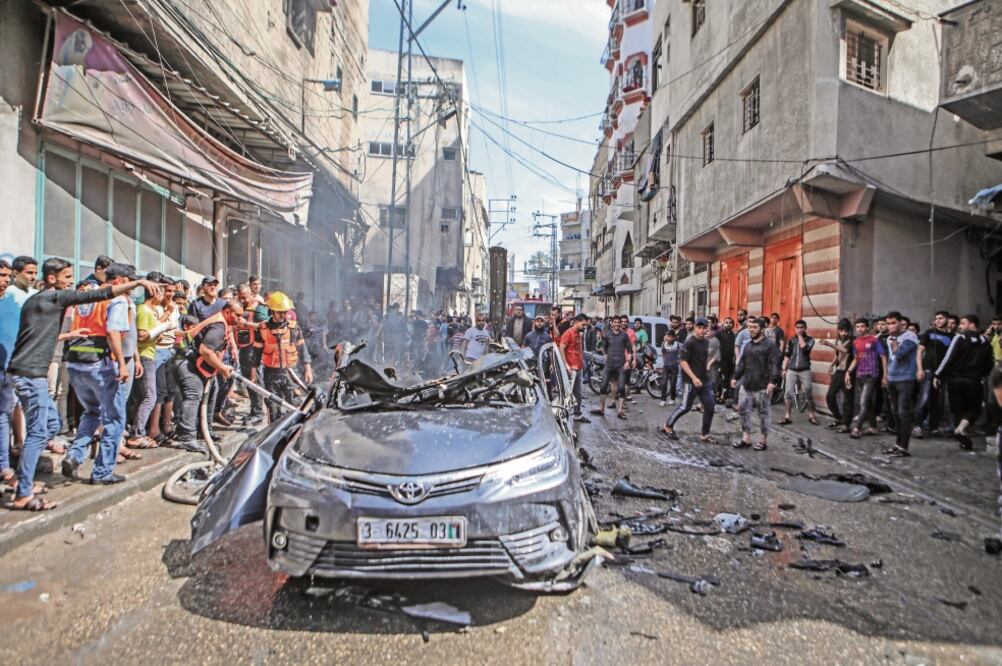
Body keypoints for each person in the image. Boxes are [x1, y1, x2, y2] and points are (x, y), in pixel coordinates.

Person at [8, 259, 159, 509]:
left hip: (38, 369)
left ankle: (38, 473)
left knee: (54, 423)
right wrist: (141, 282)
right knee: (39, 431)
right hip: (33, 372)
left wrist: (69, 335)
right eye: (67, 276)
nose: (72, 281)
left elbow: (40, 334)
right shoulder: (55, 298)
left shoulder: (34, 301)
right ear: (53, 278)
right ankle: (24, 491)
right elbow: (104, 293)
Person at [62, 263, 142, 484]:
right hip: (101, 366)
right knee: (115, 419)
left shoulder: (87, 296)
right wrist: (123, 365)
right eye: (129, 281)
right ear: (118, 281)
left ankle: (75, 454)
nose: (132, 287)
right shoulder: (115, 299)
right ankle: (103, 472)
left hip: (77, 364)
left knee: (91, 412)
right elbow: (112, 331)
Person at [170, 302, 243, 450]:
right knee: (194, 395)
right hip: (186, 362)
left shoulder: (224, 324)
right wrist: (222, 368)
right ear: (227, 312)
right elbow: (205, 350)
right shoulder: (218, 326)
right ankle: (187, 437)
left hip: (198, 363)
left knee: (212, 392)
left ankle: (205, 431)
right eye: (237, 315)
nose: (239, 318)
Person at [129, 274, 176, 449]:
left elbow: (152, 331)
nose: (164, 294)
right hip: (145, 356)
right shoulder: (143, 310)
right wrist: (163, 327)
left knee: (149, 395)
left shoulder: (148, 311)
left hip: (150, 353)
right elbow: (142, 335)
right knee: (150, 396)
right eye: (162, 290)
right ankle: (137, 434)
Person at [934, 314, 993, 451]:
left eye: (963, 323)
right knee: (974, 408)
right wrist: (982, 375)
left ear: (972, 325)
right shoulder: (985, 342)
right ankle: (962, 430)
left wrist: (938, 374)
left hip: (955, 380)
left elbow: (948, 358)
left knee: (958, 409)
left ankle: (960, 432)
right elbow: (988, 364)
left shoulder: (959, 339)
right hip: (974, 381)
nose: (960, 326)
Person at [259, 292, 313, 423]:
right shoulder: (263, 328)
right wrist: (254, 372)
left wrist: (307, 367)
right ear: (272, 311)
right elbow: (255, 352)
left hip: (290, 372)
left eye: (284, 312)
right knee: (273, 407)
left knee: (294, 406)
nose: (283, 315)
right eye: (279, 312)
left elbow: (302, 348)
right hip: (270, 373)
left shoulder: (294, 327)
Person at [662, 318, 716, 443]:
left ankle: (705, 434)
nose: (702, 330)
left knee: (710, 406)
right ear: (695, 328)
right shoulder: (690, 342)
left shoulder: (707, 342)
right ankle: (668, 426)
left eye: (704, 328)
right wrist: (693, 377)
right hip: (691, 381)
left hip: (705, 380)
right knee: (685, 407)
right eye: (699, 327)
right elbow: (683, 361)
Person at [731, 317, 780, 450]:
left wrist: (773, 381)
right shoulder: (748, 345)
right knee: (743, 411)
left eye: (754, 327)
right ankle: (746, 439)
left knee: (763, 413)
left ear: (762, 329)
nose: (751, 330)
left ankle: (763, 441)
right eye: (750, 327)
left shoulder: (770, 345)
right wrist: (735, 377)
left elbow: (775, 364)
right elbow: (742, 363)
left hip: (763, 385)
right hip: (747, 383)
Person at [882, 311, 919, 457]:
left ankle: (904, 447)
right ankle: (898, 444)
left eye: (893, 323)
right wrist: (886, 376)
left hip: (905, 379)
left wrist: (894, 340)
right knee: (895, 413)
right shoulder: (890, 338)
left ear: (900, 322)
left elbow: (899, 354)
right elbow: (890, 359)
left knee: (904, 412)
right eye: (888, 323)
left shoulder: (910, 337)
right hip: (893, 378)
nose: (890, 326)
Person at [914, 310, 953, 438]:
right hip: (928, 370)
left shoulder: (952, 336)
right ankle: (917, 427)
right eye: (936, 318)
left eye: (941, 318)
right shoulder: (929, 333)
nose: (937, 320)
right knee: (923, 399)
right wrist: (920, 369)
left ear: (947, 320)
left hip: (942, 373)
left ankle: (934, 427)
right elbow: (919, 351)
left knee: (936, 402)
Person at [845, 319, 887, 439]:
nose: (859, 329)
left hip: (871, 375)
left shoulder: (874, 340)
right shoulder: (856, 342)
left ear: (867, 327)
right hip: (860, 375)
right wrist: (848, 372)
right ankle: (873, 427)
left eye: (862, 326)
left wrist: (885, 374)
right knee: (867, 402)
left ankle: (857, 428)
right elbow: (856, 358)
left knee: (863, 402)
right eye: (857, 326)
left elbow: (883, 356)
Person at [591, 317, 632, 420]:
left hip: (621, 365)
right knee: (603, 386)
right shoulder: (607, 335)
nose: (617, 324)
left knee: (621, 388)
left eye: (619, 322)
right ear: (612, 323)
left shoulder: (624, 335)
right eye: (615, 322)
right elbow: (604, 347)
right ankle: (601, 409)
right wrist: (605, 355)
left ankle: (620, 411)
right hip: (609, 365)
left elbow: (630, 350)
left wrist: (628, 361)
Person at [779, 320, 819, 426]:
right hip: (792, 370)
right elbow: (787, 356)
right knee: (788, 393)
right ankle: (787, 416)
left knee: (808, 392)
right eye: (797, 327)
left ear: (805, 328)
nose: (799, 329)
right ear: (795, 328)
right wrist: (784, 369)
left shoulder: (810, 340)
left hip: (804, 370)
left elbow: (804, 348)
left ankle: (812, 415)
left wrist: (800, 336)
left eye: (802, 327)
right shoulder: (791, 340)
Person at [0, 260, 18, 490]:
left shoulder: (10, 305)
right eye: (1, 275)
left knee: (3, 417)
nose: (5, 280)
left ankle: (4, 466)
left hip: (6, 371)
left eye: (7, 276)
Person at [821, 319, 854, 432]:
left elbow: (845, 350)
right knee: (830, 396)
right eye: (841, 331)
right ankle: (838, 418)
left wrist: (829, 344)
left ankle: (846, 424)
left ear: (849, 331)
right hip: (839, 371)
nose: (843, 333)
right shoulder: (838, 340)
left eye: (846, 331)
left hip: (848, 372)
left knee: (848, 399)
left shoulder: (852, 340)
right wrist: (831, 365)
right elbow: (838, 354)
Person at [559, 314, 590, 423]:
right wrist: (566, 364)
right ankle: (562, 416)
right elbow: (561, 348)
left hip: (578, 368)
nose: (585, 326)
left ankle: (577, 414)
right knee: (567, 394)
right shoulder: (568, 333)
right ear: (577, 322)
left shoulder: (579, 334)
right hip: (570, 369)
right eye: (583, 324)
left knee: (577, 393)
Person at [716, 317, 736, 405]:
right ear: (723, 323)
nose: (728, 324)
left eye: (730, 322)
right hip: (720, 361)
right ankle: (718, 396)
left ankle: (724, 396)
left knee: (727, 379)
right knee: (720, 379)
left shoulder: (733, 335)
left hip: (730, 362)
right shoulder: (718, 334)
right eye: (726, 322)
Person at [659, 330, 680, 406]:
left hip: (674, 367)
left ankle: (672, 399)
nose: (669, 338)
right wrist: (665, 360)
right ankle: (663, 400)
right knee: (664, 383)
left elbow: (681, 352)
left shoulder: (677, 344)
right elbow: (663, 352)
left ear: (674, 337)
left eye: (671, 337)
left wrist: (679, 360)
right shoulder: (664, 344)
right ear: (666, 336)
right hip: (666, 366)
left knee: (673, 383)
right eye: (668, 336)